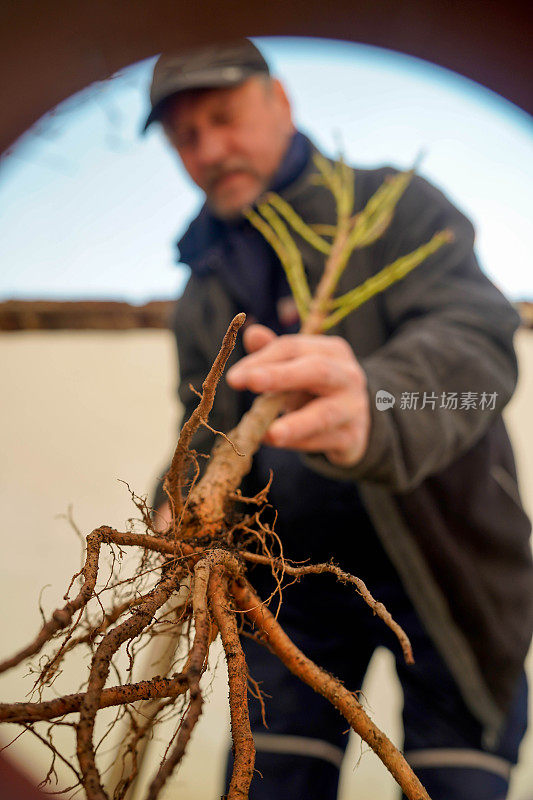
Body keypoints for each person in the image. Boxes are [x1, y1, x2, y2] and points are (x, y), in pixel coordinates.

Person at [143, 39, 533, 799]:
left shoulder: (393, 209)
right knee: (272, 779)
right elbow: (205, 425)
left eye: (223, 118)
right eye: (185, 138)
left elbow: (476, 354)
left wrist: (379, 406)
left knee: (454, 783)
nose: (209, 149)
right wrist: (178, 493)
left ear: (280, 103)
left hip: (450, 570)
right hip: (288, 587)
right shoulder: (202, 288)